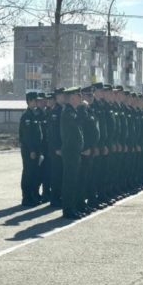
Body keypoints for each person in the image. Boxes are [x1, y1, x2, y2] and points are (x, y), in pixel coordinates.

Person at [60, 87, 84, 219]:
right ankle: (68, 209)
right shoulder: (68, 112)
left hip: (74, 151)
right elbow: (76, 126)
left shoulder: (72, 111)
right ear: (72, 98)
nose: (81, 98)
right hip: (70, 151)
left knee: (74, 181)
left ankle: (72, 207)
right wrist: (82, 110)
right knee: (69, 181)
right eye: (78, 96)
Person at [19, 91, 43, 206]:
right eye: (34, 100)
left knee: (35, 173)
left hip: (36, 149)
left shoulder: (35, 114)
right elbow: (27, 136)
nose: (36, 102)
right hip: (29, 150)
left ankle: (34, 195)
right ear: (29, 101)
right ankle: (26, 197)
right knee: (28, 173)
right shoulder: (26, 116)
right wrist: (32, 150)